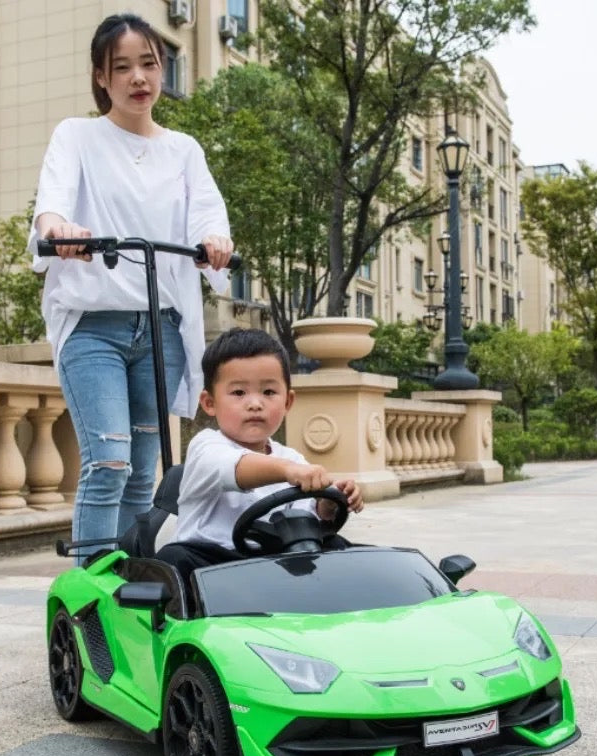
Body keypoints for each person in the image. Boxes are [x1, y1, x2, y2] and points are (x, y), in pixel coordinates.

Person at [27, 13, 233, 561]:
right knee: (110, 459)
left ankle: (128, 584)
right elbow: (53, 199)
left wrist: (214, 241)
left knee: (145, 468)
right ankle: (88, 588)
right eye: (123, 67)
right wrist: (58, 229)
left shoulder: (184, 149)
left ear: (161, 69)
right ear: (101, 77)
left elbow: (207, 214)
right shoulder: (77, 136)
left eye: (148, 64)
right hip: (95, 325)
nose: (138, 77)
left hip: (160, 326)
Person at [156, 328, 364, 585]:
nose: (255, 404)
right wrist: (288, 471)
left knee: (338, 548)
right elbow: (233, 467)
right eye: (239, 393)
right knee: (174, 558)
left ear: (287, 402)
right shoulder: (206, 447)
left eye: (268, 392)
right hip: (212, 565)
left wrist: (328, 503)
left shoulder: (292, 457)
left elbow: (304, 512)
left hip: (272, 564)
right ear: (209, 403)